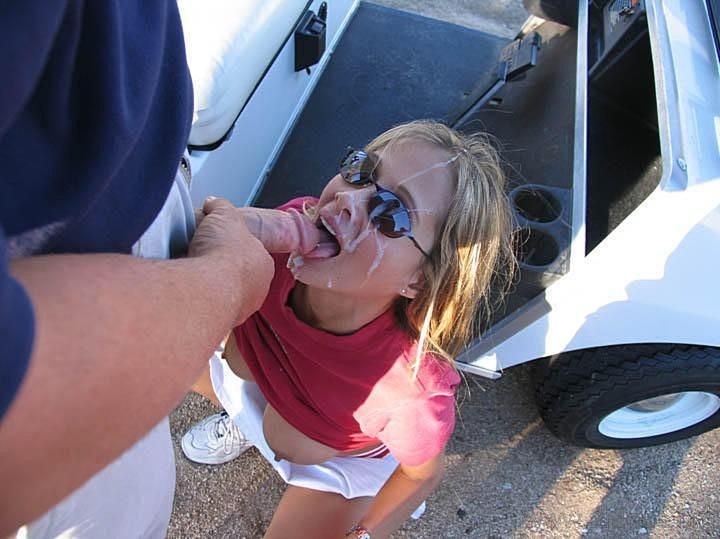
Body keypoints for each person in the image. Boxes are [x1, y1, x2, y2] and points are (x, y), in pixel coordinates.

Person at [0, 2, 281, 535]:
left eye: (392, 215)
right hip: (70, 356)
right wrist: (226, 283)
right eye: (360, 170)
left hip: (122, 234)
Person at [180, 120, 516, 538]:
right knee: (192, 357)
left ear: (419, 280)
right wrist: (221, 234)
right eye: (361, 171)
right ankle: (251, 422)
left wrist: (364, 533)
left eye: (391, 213)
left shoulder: (408, 391)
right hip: (278, 380)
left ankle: (366, 474)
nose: (347, 198)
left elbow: (421, 475)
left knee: (287, 439)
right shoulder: (286, 229)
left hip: (341, 457)